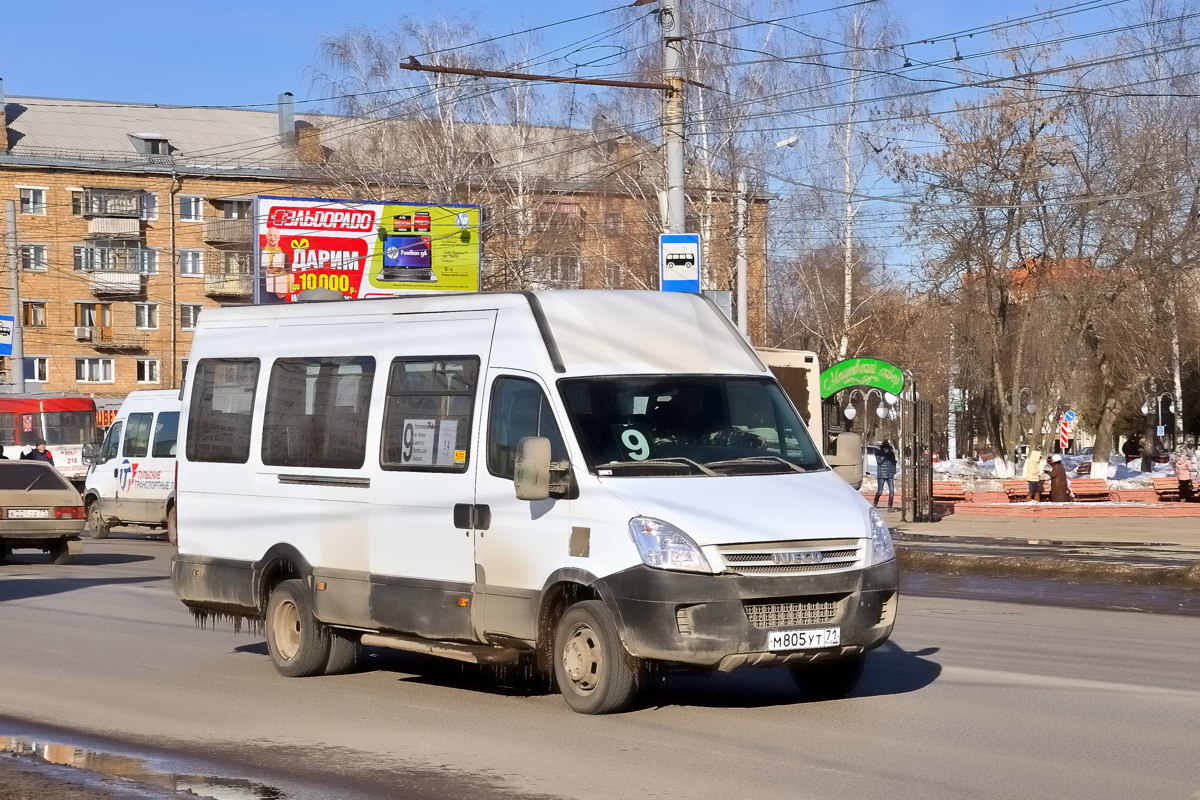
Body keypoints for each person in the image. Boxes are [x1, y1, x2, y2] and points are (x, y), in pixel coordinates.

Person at [873, 439, 897, 511]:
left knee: (892, 491)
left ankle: (890, 506)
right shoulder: (878, 452)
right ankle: (875, 503)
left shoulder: (891, 453)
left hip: (890, 475)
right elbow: (879, 461)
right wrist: (884, 454)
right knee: (880, 491)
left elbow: (893, 463)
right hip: (881, 475)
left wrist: (893, 472)